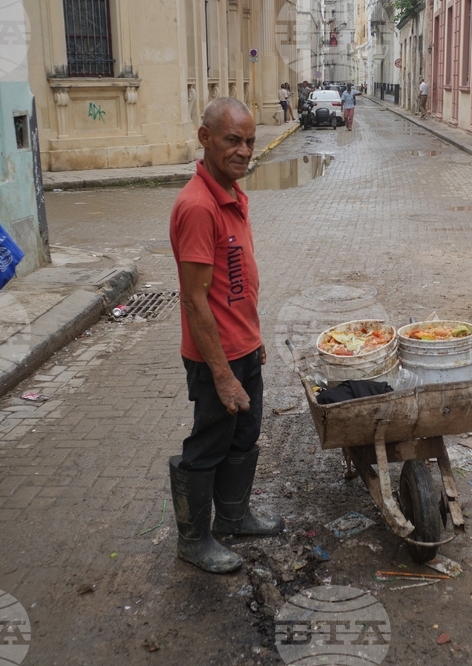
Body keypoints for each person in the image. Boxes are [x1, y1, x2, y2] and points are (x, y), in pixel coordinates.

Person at [168, 97, 284, 574]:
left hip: (242, 347)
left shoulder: (231, 194)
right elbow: (195, 300)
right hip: (215, 357)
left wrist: (253, 339)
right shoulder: (198, 206)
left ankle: (234, 517)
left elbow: (235, 283)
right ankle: (194, 540)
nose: (244, 150)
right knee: (209, 446)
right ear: (206, 138)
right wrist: (221, 373)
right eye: (233, 140)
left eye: (250, 141)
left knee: (245, 436)